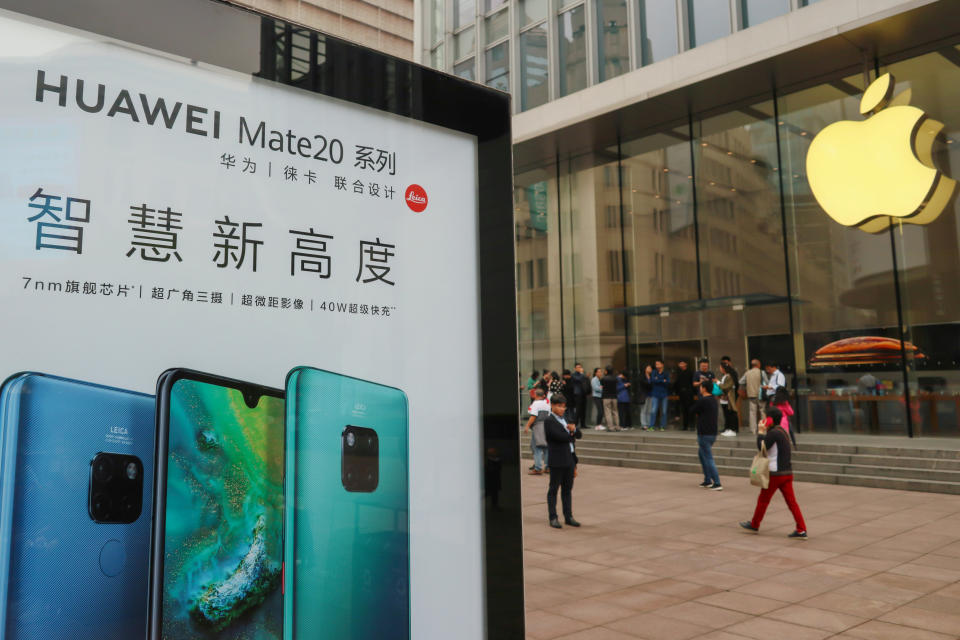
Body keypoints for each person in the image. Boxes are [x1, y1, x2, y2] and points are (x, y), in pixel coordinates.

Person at [740, 408, 807, 538]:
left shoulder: (774, 433)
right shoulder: (782, 431)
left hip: (775, 474)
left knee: (763, 500)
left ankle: (755, 524)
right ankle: (801, 529)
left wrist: (760, 432)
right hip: (787, 473)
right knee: (792, 502)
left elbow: (762, 446)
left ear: (770, 419)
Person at [543, 393, 582, 529]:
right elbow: (560, 437)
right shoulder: (549, 421)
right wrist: (571, 433)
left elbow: (579, 434)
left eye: (564, 407)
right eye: (559, 406)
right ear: (552, 405)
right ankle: (553, 517)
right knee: (553, 489)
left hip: (570, 458)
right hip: (557, 459)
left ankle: (569, 516)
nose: (562, 409)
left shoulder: (566, 418)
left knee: (567, 489)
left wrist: (574, 430)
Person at [692, 379, 722, 490]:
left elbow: (692, 410)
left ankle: (717, 482)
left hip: (704, 432)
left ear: (704, 388)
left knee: (707, 457)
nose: (700, 389)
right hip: (712, 432)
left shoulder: (703, 400)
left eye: (701, 387)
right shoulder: (714, 400)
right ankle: (707, 480)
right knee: (702, 455)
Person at [524, 388, 550, 474]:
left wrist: (527, 425)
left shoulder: (535, 404)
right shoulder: (547, 404)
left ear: (535, 395)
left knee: (536, 447)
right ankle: (548, 467)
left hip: (538, 426)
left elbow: (533, 416)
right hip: (546, 425)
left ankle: (538, 468)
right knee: (546, 447)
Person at [739, 359, 766, 434]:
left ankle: (753, 429)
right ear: (758, 365)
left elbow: (740, 381)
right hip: (761, 395)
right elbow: (767, 382)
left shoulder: (747, 373)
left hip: (751, 395)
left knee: (752, 412)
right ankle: (763, 429)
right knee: (762, 411)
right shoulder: (762, 372)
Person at [648, 360, 670, 431]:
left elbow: (667, 382)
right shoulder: (654, 372)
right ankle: (651, 426)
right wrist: (662, 380)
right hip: (655, 394)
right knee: (653, 410)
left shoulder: (666, 373)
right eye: (656, 364)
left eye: (658, 364)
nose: (656, 365)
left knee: (664, 411)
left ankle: (662, 426)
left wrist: (658, 379)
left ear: (662, 365)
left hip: (664, 394)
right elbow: (653, 380)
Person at [718, 363, 739, 437]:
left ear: (724, 369)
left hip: (729, 399)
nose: (720, 369)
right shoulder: (725, 376)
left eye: (720, 367)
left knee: (730, 414)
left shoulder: (730, 376)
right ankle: (728, 429)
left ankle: (732, 430)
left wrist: (717, 382)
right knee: (726, 415)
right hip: (723, 399)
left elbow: (725, 387)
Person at [674, 360, 694, 431]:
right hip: (681, 393)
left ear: (686, 364)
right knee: (684, 409)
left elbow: (692, 383)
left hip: (689, 393)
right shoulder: (678, 372)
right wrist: (676, 392)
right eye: (680, 363)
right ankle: (685, 426)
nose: (681, 365)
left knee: (690, 409)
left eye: (682, 363)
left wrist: (692, 392)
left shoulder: (690, 372)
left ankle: (692, 425)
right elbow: (676, 383)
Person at [601, 367, 621, 432]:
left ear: (606, 371)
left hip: (606, 397)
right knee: (615, 412)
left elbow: (601, 385)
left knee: (608, 412)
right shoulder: (615, 378)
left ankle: (611, 427)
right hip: (614, 397)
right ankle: (617, 427)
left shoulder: (604, 378)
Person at [572, 363, 589, 430]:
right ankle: (575, 424)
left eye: (580, 367)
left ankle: (583, 424)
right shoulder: (573, 375)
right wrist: (582, 374)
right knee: (578, 410)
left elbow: (586, 381)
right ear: (575, 368)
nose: (579, 368)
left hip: (583, 394)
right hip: (577, 394)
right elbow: (578, 379)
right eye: (578, 367)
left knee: (583, 409)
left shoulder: (582, 375)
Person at [638, 365, 653, 429]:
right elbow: (646, 384)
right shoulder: (642, 376)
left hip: (650, 395)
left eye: (651, 368)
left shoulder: (651, 376)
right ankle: (644, 424)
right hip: (644, 395)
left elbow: (652, 385)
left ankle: (649, 423)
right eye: (649, 368)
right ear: (645, 369)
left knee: (649, 410)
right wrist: (650, 384)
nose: (650, 369)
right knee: (643, 410)